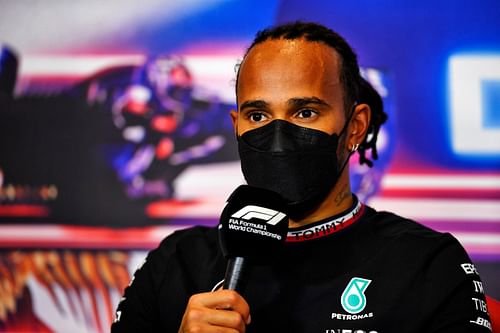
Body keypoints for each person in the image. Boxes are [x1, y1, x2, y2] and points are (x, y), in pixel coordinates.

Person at [111, 22, 492, 333]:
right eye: (258, 116)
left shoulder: (426, 263)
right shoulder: (176, 263)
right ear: (236, 125)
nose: (277, 138)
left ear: (356, 127)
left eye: (305, 113)